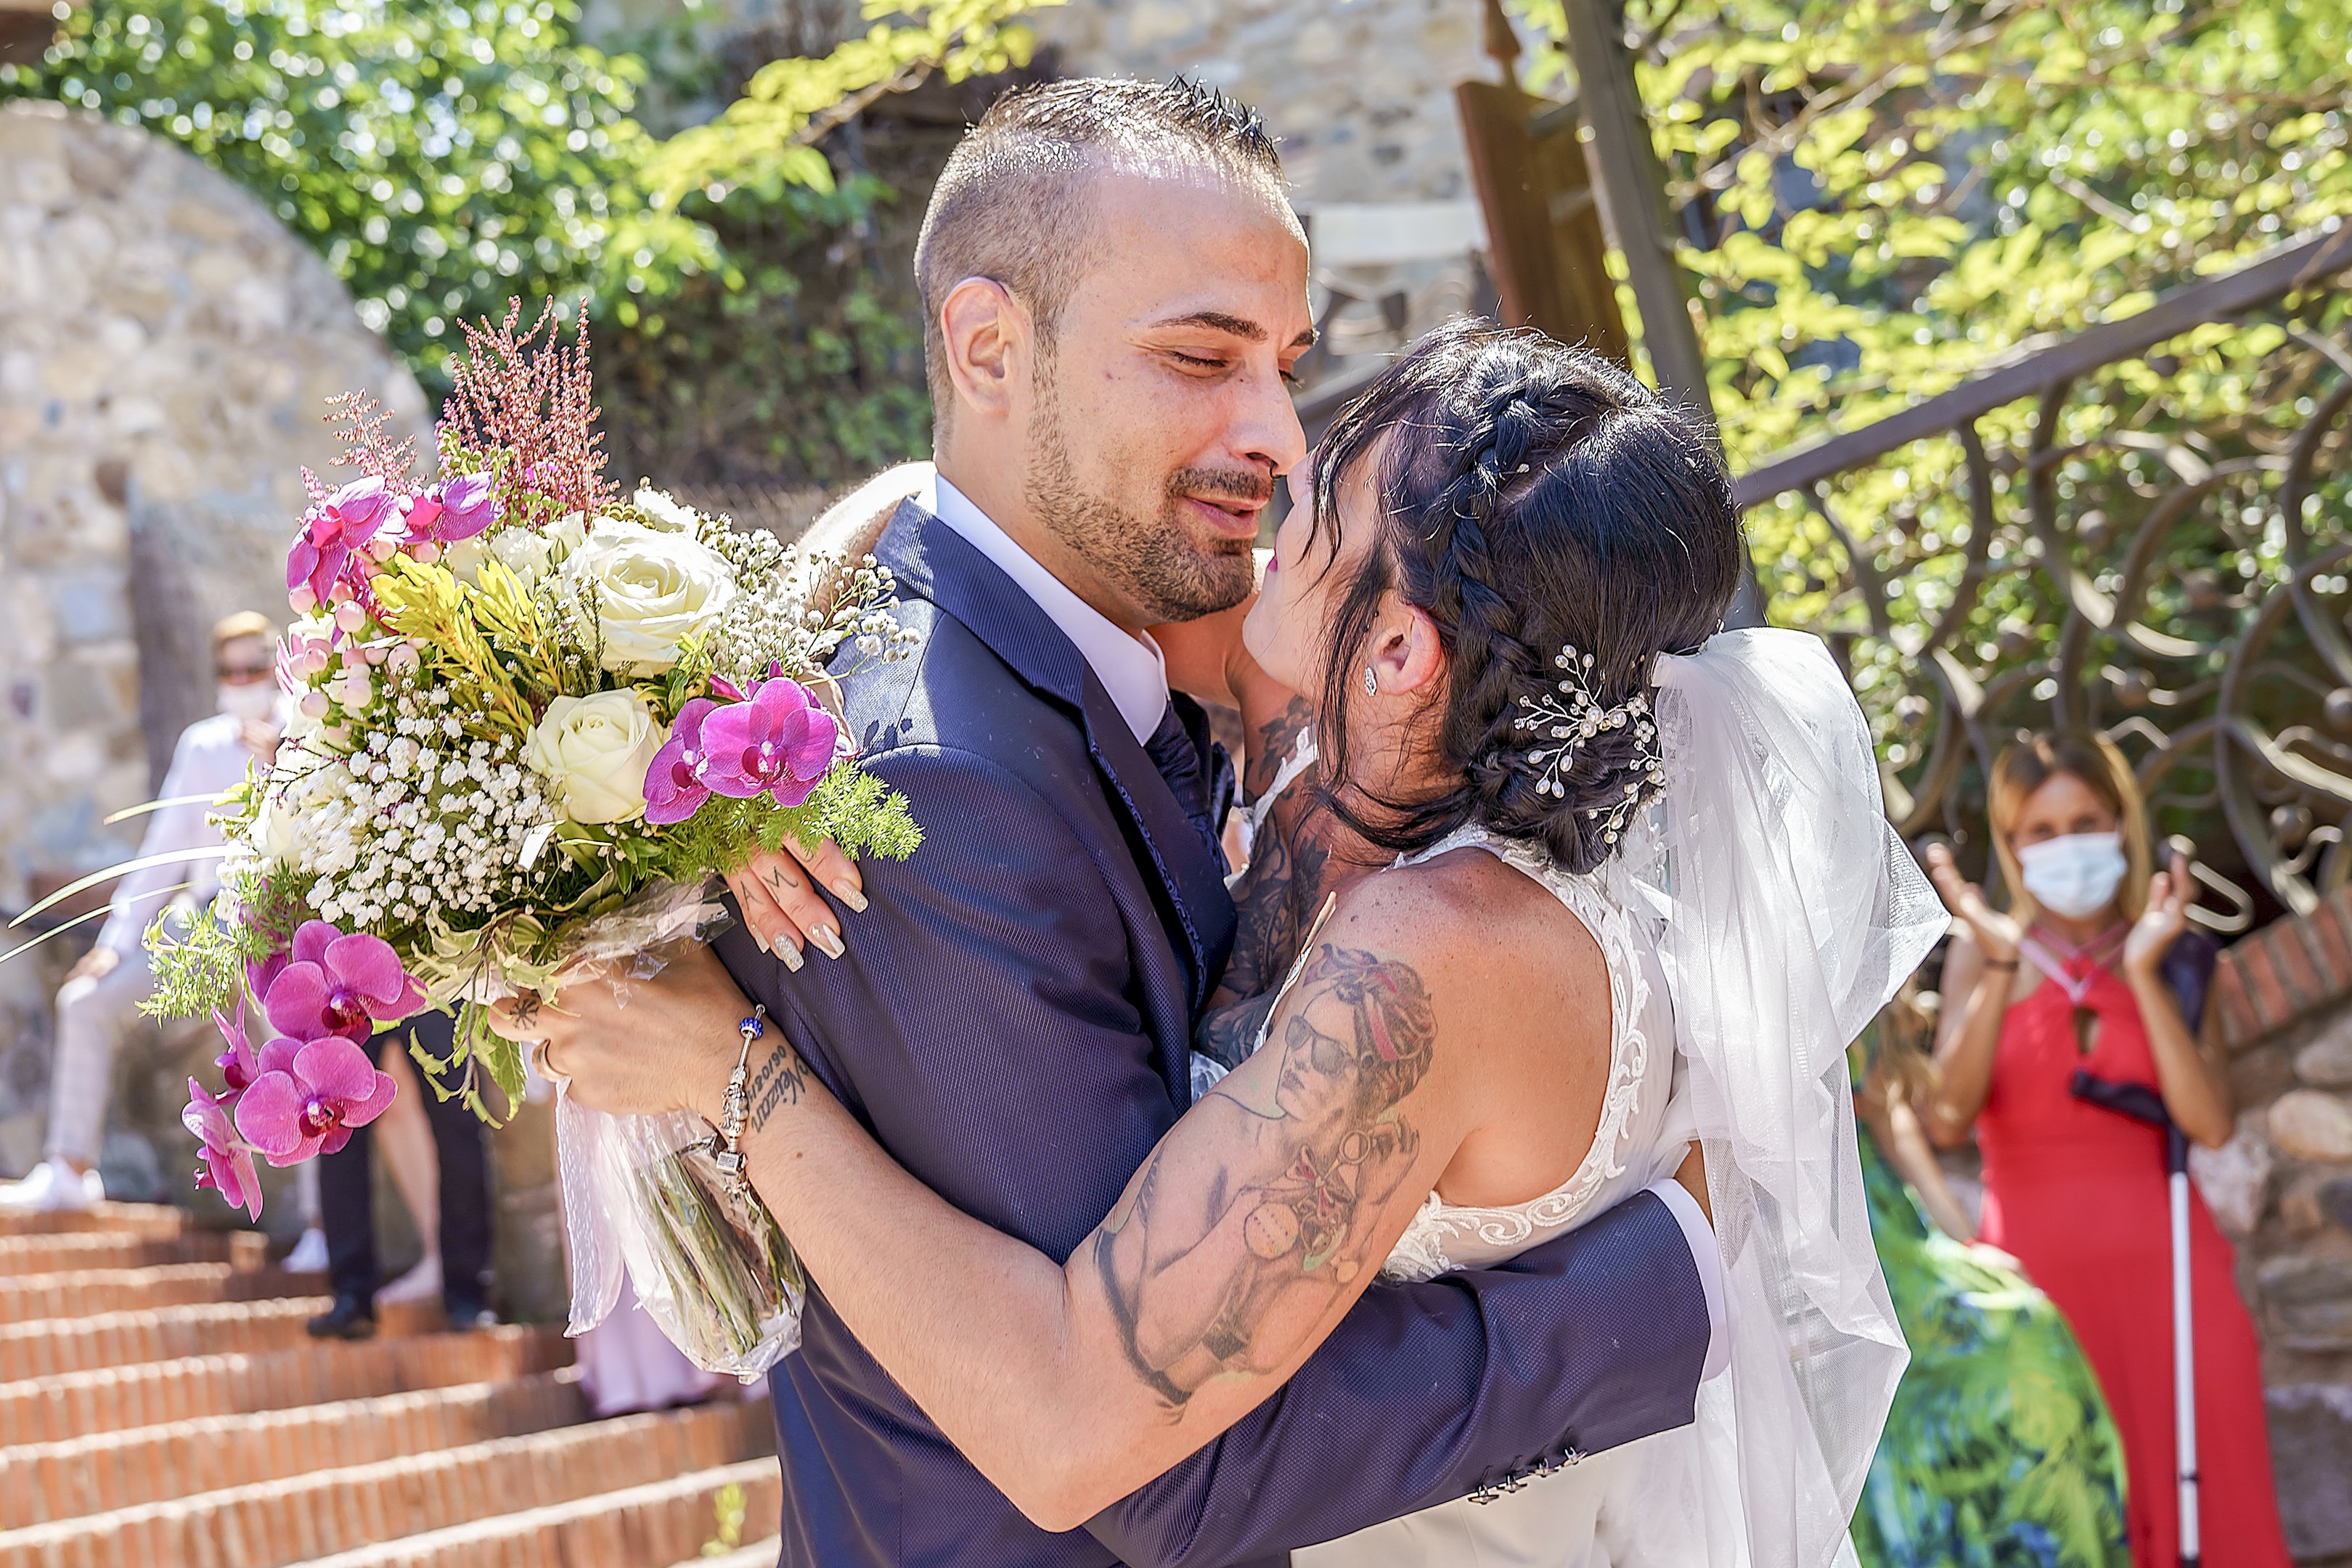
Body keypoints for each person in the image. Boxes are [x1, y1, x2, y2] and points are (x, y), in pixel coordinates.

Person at [495, 81, 1741, 1568]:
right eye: (1201, 357)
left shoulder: (1246, 695)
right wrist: (1668, 1291)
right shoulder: (930, 787)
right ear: (988, 349)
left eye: (1286, 366)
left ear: (1411, 653)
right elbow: (1143, 1450)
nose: (1278, 441)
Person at [1924, 732, 2292, 1567]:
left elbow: (2211, 1123)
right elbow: (1947, 1118)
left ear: (2121, 824)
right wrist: (1997, 965)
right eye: (2042, 830)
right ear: (2011, 846)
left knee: (2217, 1520)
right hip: (2038, 1293)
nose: (2067, 845)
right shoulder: (1984, 955)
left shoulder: (2179, 952)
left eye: (2086, 822)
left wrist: (2147, 973)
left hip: (2176, 1283)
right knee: (2074, 1523)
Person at [1, 611, 285, 1214]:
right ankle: (69, 1170)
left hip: (277, 922)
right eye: (229, 672)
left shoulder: (305, 735)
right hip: (204, 920)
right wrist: (115, 942)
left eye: (253, 668)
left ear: (275, 666)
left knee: (296, 1054)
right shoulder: (202, 745)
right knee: (84, 1002)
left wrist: (281, 763)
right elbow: (162, 850)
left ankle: (318, 1226)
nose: (242, 682)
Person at [1850, 990, 2131, 1568]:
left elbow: (1889, 1118)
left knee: (2026, 1330)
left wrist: (1967, 1245)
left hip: (1892, 1230)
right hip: (1807, 1245)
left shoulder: (1850, 975)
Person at [306, 1008, 497, 1337]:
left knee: (458, 1116)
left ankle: (468, 1293)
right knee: (335, 1120)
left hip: (429, 981)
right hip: (349, 981)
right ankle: (351, 1294)